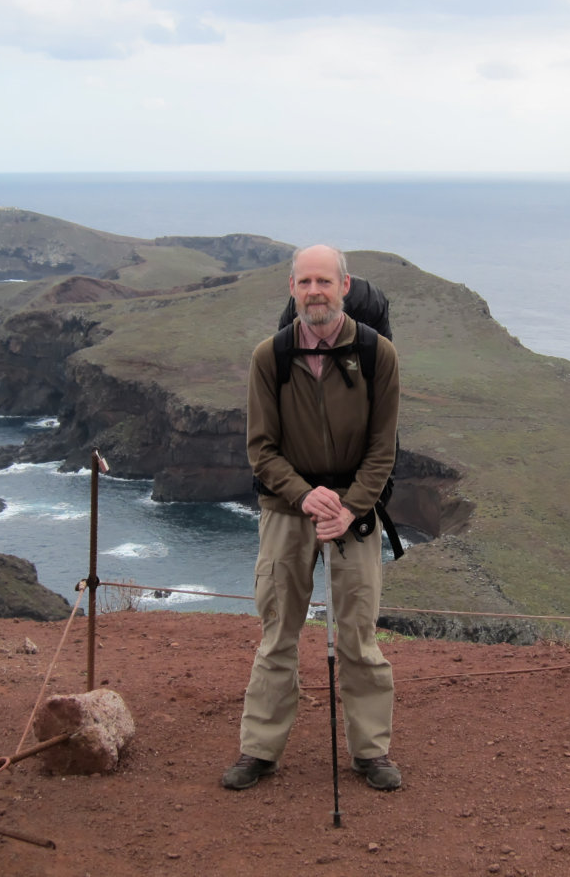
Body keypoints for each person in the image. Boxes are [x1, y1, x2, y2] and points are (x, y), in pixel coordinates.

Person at [221, 244, 402, 792]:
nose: (314, 291)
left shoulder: (377, 355)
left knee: (359, 635)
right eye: (305, 282)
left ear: (345, 287)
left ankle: (371, 753)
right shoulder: (268, 357)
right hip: (287, 510)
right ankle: (259, 751)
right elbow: (262, 450)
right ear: (291, 288)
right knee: (278, 632)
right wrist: (306, 497)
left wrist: (348, 507)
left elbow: (383, 448)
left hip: (354, 514)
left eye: (325, 281)